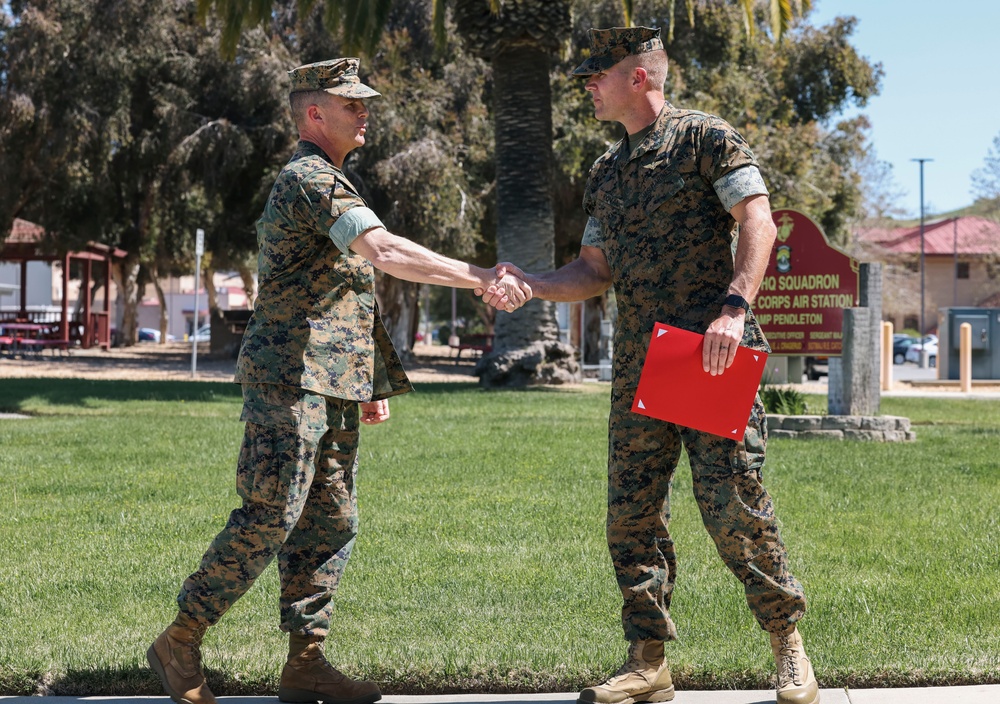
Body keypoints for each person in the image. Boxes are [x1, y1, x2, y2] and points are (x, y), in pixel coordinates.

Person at [147, 57, 528, 704]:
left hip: (331, 382)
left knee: (330, 521)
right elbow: (385, 254)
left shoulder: (333, 181)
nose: (365, 111)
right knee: (272, 513)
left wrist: (370, 381)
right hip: (289, 379)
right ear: (313, 114)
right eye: (351, 104)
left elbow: (346, 290)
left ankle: (306, 662)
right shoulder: (309, 179)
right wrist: (480, 274)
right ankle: (180, 639)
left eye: (364, 102)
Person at [485, 27, 818, 704]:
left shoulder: (705, 139)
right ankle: (647, 661)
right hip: (640, 360)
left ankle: (788, 645)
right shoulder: (606, 172)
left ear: (638, 76)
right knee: (632, 515)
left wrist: (732, 307)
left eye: (595, 74)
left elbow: (759, 220)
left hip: (706, 352)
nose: (585, 83)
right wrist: (532, 284)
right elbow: (594, 270)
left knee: (731, 505)